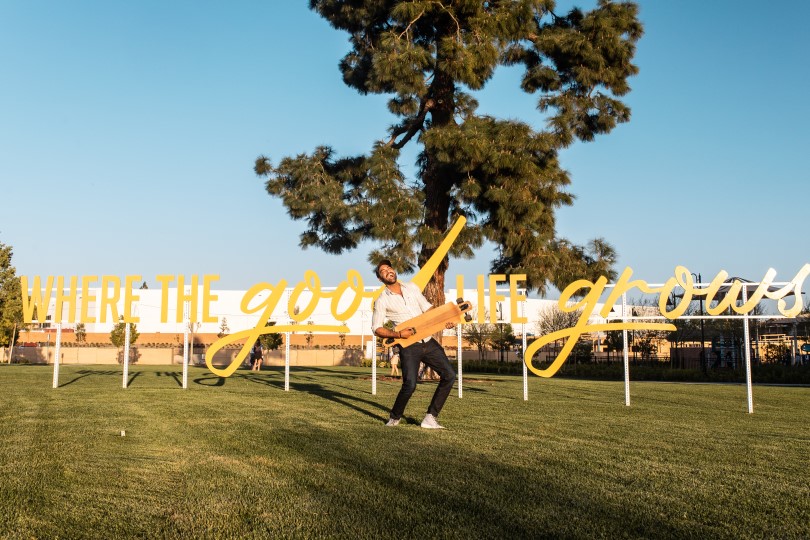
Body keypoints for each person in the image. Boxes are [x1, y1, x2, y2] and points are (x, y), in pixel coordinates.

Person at [372, 260, 456, 429]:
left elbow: (428, 310)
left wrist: (446, 321)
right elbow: (377, 328)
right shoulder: (382, 300)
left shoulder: (412, 287)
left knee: (450, 375)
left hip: (428, 341)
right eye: (383, 271)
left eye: (389, 267)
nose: (388, 271)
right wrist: (398, 334)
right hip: (408, 345)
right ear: (380, 279)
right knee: (410, 384)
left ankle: (430, 417)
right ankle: (395, 417)